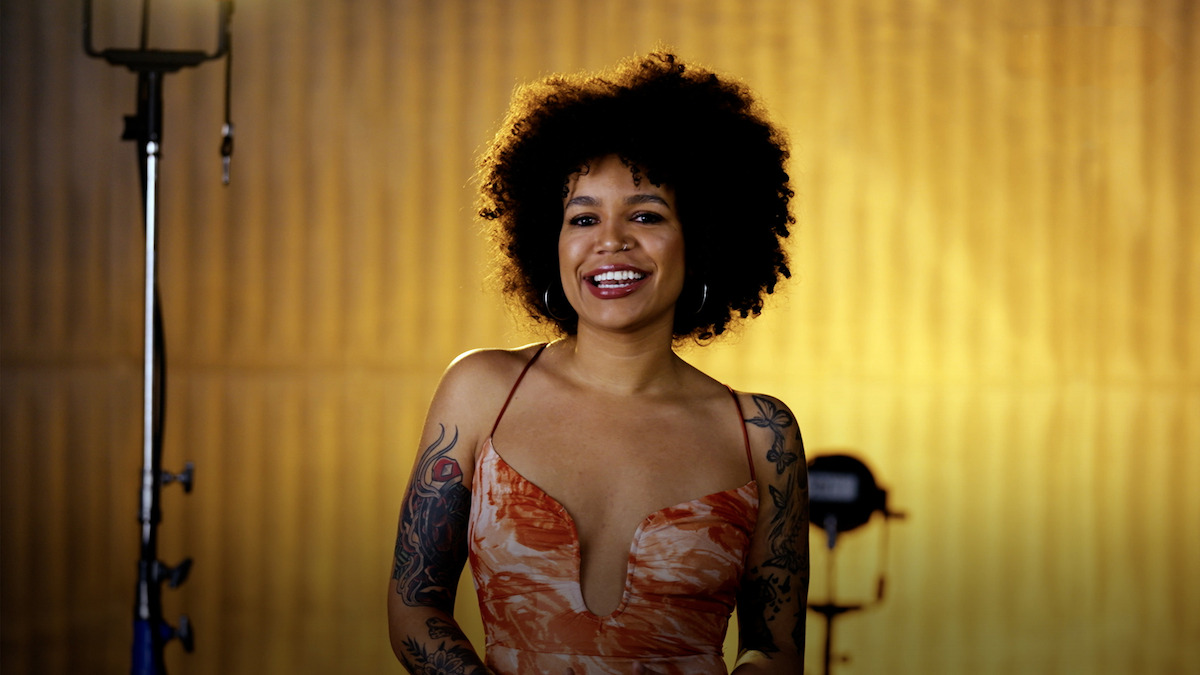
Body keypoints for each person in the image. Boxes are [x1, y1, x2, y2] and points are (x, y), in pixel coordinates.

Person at [387, 51, 809, 675]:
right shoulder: (482, 391)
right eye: (583, 217)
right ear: (548, 242)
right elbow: (414, 607)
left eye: (645, 214)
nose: (610, 240)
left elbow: (775, 650)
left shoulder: (760, 435)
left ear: (704, 238)